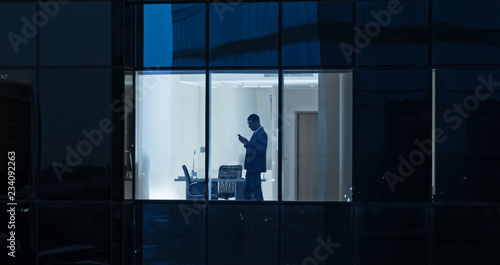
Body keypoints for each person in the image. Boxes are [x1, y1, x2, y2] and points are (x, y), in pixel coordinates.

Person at [238, 114, 267, 201]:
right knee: (248, 193)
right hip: (252, 168)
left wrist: (246, 143)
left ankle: (260, 212)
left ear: (256, 122)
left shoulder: (262, 134)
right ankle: (249, 212)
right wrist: (246, 143)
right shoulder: (257, 134)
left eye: (250, 124)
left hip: (255, 168)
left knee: (256, 193)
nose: (249, 126)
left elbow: (258, 151)